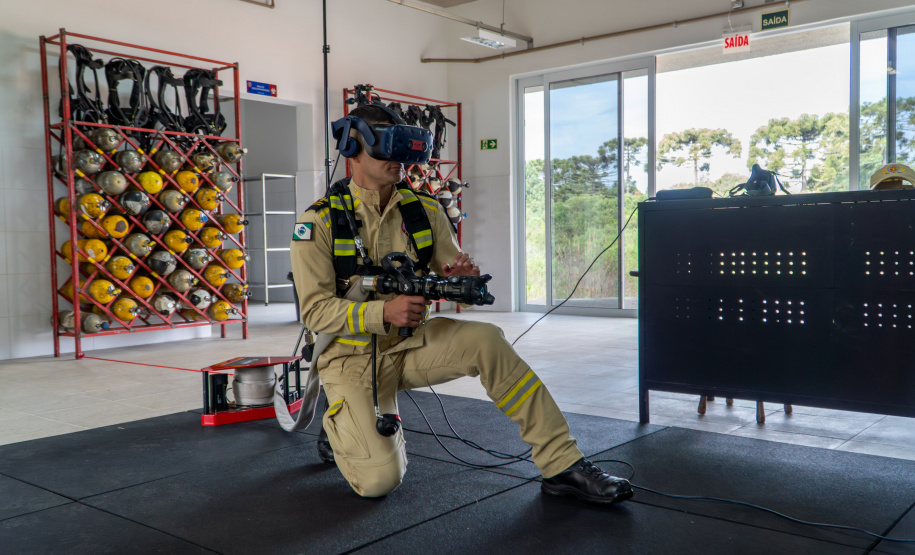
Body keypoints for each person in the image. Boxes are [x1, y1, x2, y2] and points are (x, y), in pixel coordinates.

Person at [289, 104, 632, 504]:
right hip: (349, 357)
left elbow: (449, 267)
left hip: (410, 344)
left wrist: (460, 278)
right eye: (386, 147)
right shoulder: (320, 222)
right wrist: (382, 311)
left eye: (404, 149)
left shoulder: (425, 211)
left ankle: (561, 465)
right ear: (352, 146)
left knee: (488, 340)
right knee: (379, 482)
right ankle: (343, 417)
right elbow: (313, 312)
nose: (399, 160)